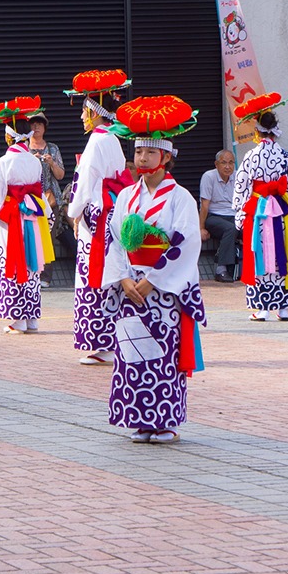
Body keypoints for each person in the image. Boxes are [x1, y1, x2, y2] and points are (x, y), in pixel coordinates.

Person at [102, 95, 205, 444]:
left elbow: (186, 242)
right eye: (138, 152)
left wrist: (153, 279)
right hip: (132, 283)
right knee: (132, 351)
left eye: (149, 153)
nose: (141, 158)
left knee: (163, 352)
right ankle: (139, 418)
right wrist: (125, 277)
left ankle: (165, 421)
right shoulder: (128, 196)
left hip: (162, 290)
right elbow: (113, 239)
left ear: (166, 158)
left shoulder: (181, 198)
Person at [64, 69, 133, 366]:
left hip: (97, 215)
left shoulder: (96, 141)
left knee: (94, 275)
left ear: (95, 113)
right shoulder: (113, 139)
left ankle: (100, 341)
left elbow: (83, 184)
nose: (81, 117)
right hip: (112, 210)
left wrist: (73, 212)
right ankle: (113, 338)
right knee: (111, 272)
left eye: (84, 111)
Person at [0, 99, 56, 334]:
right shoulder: (33, 161)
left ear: (9, 136)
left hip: (12, 217)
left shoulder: (4, 161)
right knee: (33, 264)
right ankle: (32, 318)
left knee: (13, 263)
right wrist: (48, 216)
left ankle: (17, 319)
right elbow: (40, 190)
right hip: (32, 216)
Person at [231, 94, 288, 321]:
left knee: (259, 255)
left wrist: (240, 213)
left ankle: (262, 309)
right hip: (280, 211)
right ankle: (283, 308)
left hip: (259, 211)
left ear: (257, 130)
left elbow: (241, 185)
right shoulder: (284, 155)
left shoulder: (250, 155)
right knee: (282, 255)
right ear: (275, 129)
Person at [199, 150, 240, 282]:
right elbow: (205, 205)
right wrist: (201, 228)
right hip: (214, 216)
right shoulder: (209, 177)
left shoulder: (238, 176)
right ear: (216, 164)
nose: (227, 166)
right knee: (230, 229)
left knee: (254, 227)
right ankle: (221, 269)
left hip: (233, 215)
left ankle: (253, 269)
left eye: (231, 163)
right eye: (223, 163)